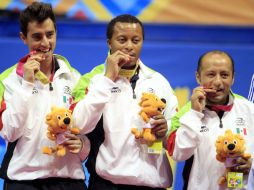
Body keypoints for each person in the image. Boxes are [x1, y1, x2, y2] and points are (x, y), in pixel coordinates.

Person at [71, 14, 178, 189]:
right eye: (122, 40)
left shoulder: (158, 81)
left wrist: (165, 130)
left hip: (152, 184)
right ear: (109, 43)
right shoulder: (92, 80)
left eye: (136, 40)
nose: (129, 46)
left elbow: (176, 134)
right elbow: (78, 124)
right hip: (107, 184)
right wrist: (108, 78)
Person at [0, 2, 90, 190]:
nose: (45, 43)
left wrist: (82, 145)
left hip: (70, 181)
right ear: (23, 38)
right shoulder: (7, 81)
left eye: (50, 35)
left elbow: (85, 132)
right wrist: (27, 84)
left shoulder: (75, 79)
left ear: (56, 32)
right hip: (23, 182)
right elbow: (9, 132)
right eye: (37, 37)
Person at [167, 50, 254, 189]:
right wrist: (195, 114)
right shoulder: (187, 113)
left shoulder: (249, 110)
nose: (218, 82)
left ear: (233, 78)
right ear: (198, 77)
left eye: (224, 75)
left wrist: (252, 165)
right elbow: (178, 154)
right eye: (211, 74)